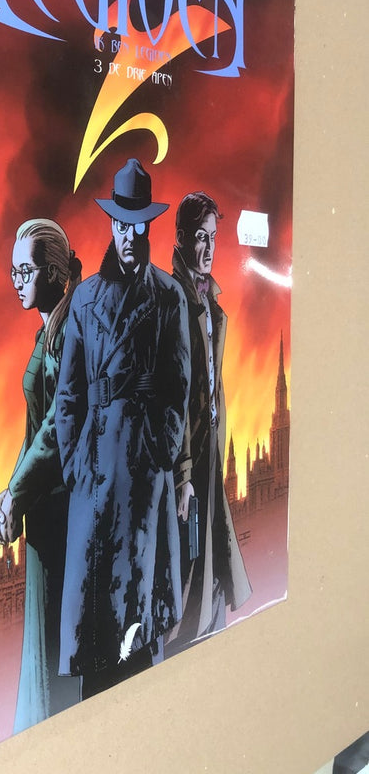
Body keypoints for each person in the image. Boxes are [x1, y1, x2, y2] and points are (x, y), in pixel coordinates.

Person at [55, 158, 191, 699]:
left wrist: (159, 451)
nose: (130, 235)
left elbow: (178, 390)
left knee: (142, 627)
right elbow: (68, 396)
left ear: (148, 226)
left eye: (138, 224)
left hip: (143, 479)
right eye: (121, 224)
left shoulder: (168, 297)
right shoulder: (84, 299)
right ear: (111, 224)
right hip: (94, 482)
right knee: (97, 634)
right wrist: (75, 466)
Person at [0, 218, 82, 731]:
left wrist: (16, 495)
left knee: (55, 650)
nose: (17, 281)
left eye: (24, 271)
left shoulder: (70, 333)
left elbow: (56, 429)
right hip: (43, 514)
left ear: (52, 272)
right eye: (13, 272)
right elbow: (34, 430)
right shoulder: (48, 331)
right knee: (43, 646)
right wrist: (10, 494)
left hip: (64, 516)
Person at [167, 191, 251, 652]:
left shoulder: (207, 298)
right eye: (200, 237)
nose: (208, 248)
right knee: (189, 559)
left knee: (211, 550)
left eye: (213, 237)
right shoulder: (175, 300)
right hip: (188, 454)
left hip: (210, 448)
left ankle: (211, 631)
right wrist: (182, 475)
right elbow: (175, 395)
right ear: (182, 238)